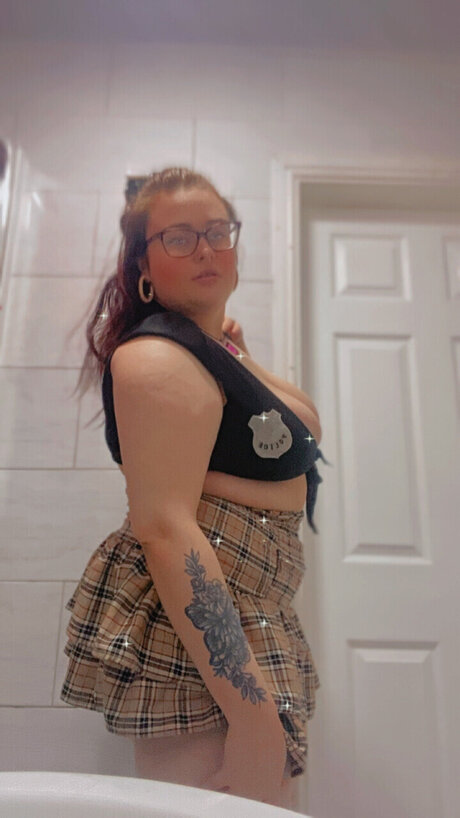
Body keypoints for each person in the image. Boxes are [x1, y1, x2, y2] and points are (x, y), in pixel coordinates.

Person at [60, 166, 329, 811]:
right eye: (179, 237)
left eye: (217, 231)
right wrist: (252, 718)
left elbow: (305, 423)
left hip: (252, 612)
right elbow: (164, 529)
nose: (205, 248)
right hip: (210, 633)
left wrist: (237, 349)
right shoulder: (156, 357)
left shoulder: (210, 352)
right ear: (143, 265)